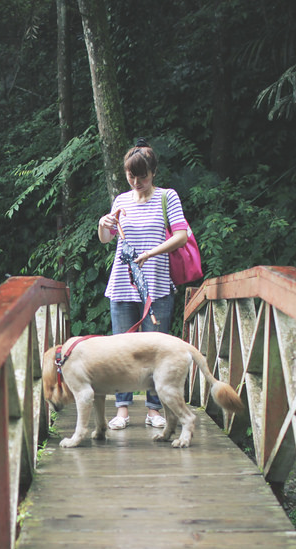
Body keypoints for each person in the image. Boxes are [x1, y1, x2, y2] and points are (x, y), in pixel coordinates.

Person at [97, 138, 191, 430]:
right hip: (123, 286)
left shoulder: (167, 197)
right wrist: (103, 223)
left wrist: (151, 253)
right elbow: (106, 239)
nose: (136, 182)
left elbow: (182, 235)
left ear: (154, 172)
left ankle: (153, 410)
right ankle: (122, 409)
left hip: (157, 285)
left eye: (143, 176)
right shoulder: (121, 201)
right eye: (131, 176)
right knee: (120, 350)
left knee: (155, 350)